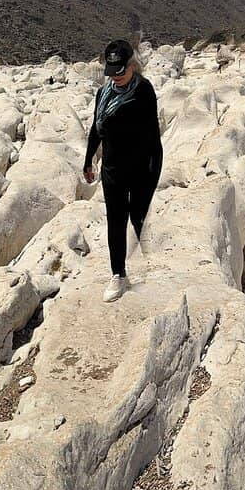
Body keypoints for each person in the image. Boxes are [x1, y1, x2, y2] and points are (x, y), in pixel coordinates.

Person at [83, 39, 162, 302]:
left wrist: (153, 173)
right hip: (113, 170)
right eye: (112, 72)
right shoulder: (103, 94)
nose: (116, 78)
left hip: (140, 169)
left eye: (121, 72)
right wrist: (88, 161)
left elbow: (153, 136)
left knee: (138, 218)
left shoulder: (143, 90)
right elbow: (96, 128)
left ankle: (151, 263)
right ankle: (119, 275)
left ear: (132, 65)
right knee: (116, 222)